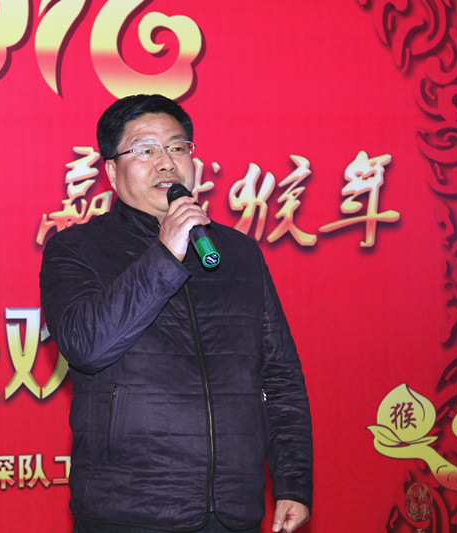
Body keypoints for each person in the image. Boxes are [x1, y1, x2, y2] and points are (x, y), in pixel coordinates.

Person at [40, 94, 313, 533]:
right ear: (111, 171)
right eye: (146, 150)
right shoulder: (75, 249)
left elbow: (280, 377)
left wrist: (293, 483)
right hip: (130, 512)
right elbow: (87, 346)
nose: (167, 163)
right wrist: (165, 254)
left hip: (234, 510)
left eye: (178, 147)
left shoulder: (238, 252)